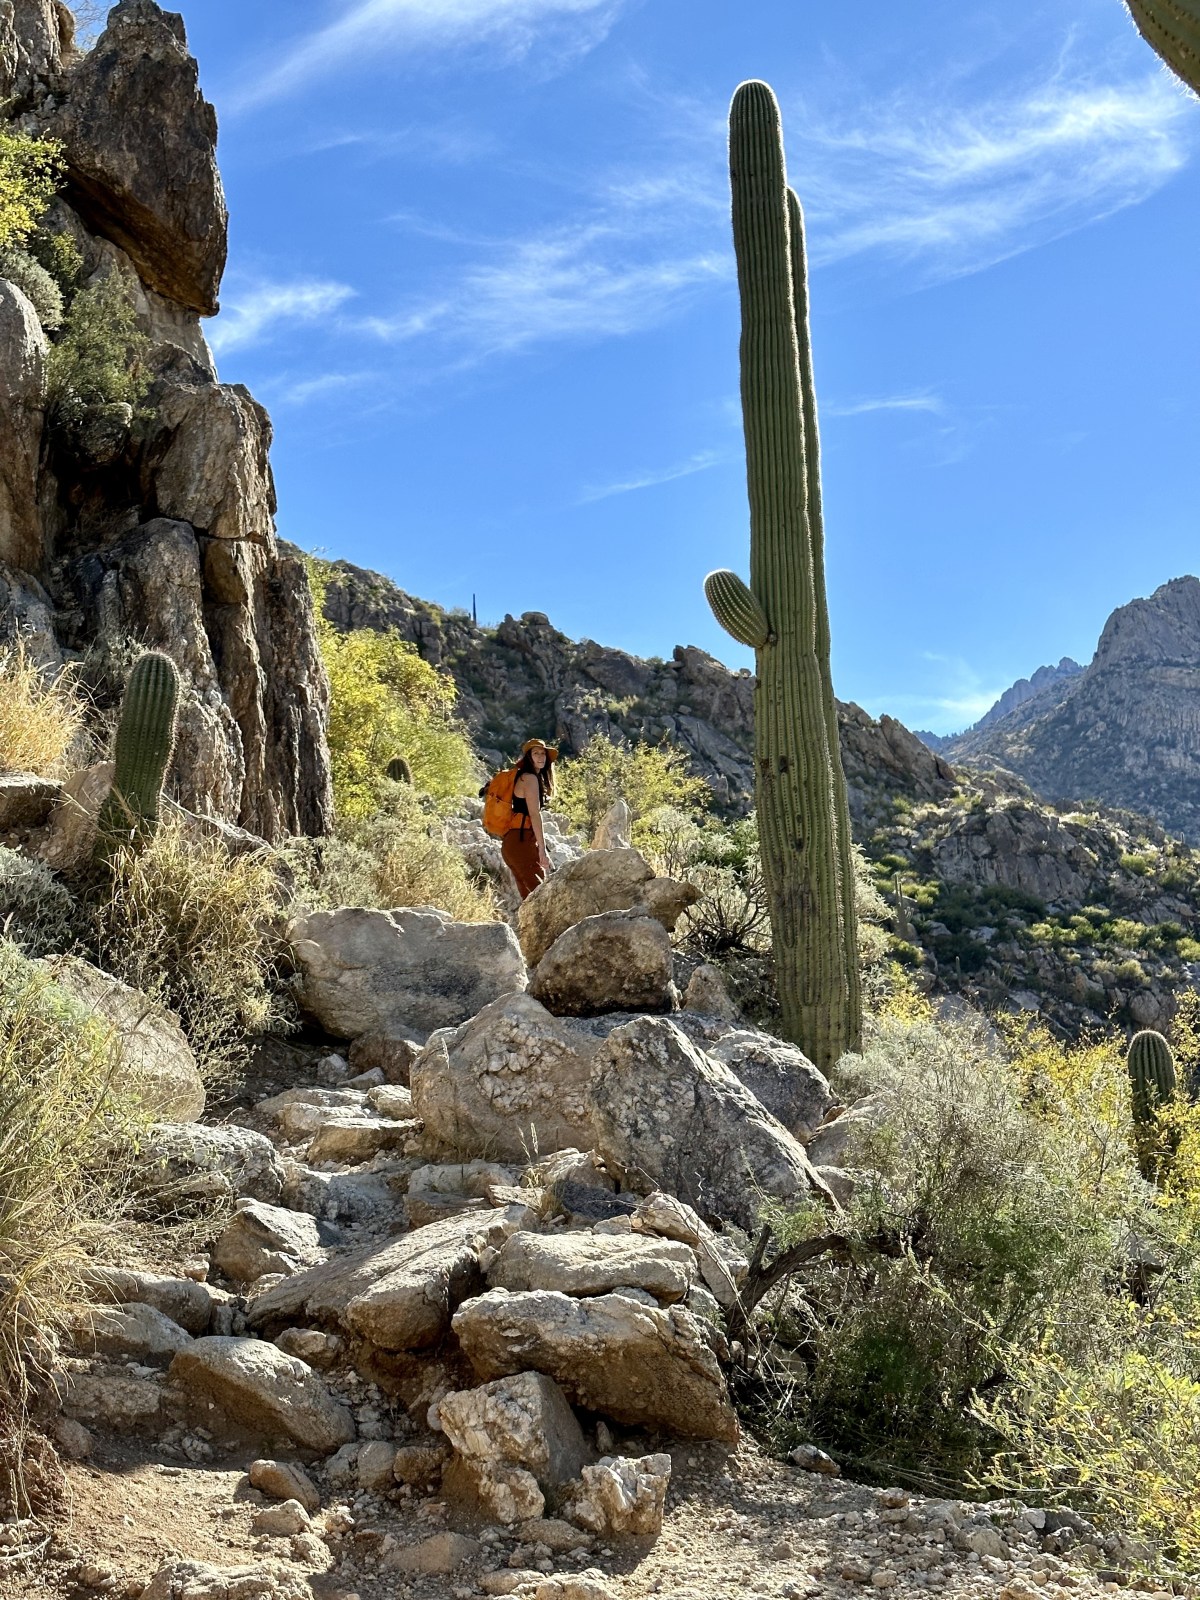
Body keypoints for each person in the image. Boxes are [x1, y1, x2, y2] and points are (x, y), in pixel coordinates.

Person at [502, 737, 557, 899]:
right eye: (536, 753)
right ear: (528, 757)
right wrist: (542, 849)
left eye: (543, 753)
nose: (540, 757)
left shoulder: (525, 777)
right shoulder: (530, 778)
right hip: (521, 843)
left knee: (529, 899)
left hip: (513, 843)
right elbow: (534, 815)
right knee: (540, 896)